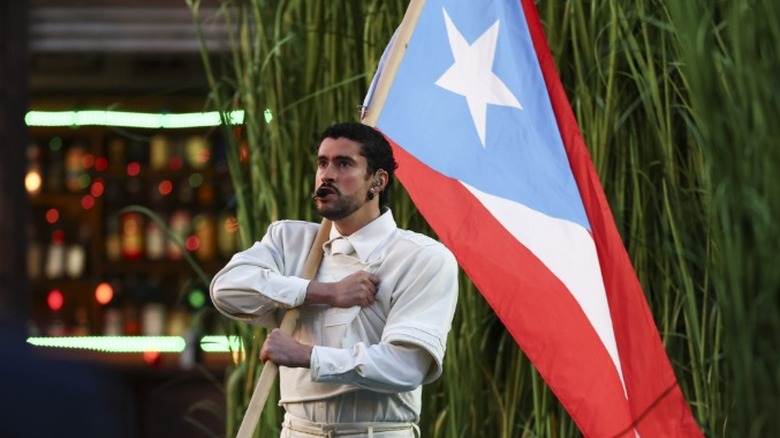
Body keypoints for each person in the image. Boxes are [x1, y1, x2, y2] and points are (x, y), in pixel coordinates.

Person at [210, 122, 459, 437]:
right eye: (322, 163)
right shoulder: (289, 241)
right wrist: (322, 292)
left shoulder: (421, 257)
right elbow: (226, 289)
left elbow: (406, 366)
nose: (327, 175)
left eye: (344, 164)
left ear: (378, 181)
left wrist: (305, 355)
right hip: (297, 431)